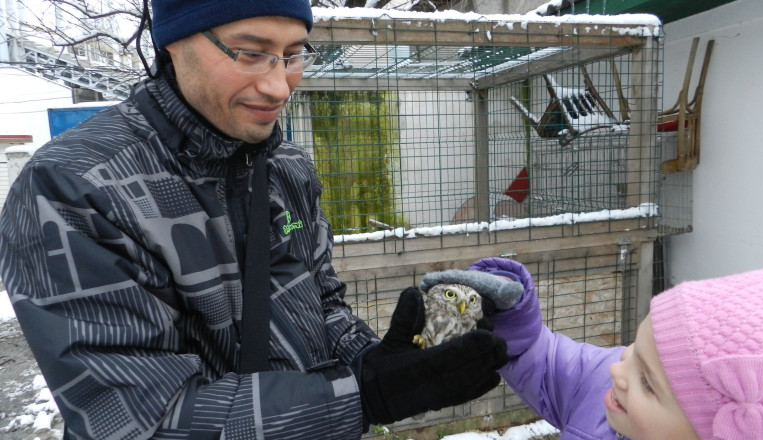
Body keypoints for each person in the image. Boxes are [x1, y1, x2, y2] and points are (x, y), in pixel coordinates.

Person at [0, 1, 509, 438]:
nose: (279, 86)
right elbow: (136, 420)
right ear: (173, 42)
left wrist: (378, 360)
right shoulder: (72, 189)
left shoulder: (286, 166)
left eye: (293, 55)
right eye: (250, 52)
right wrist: (363, 397)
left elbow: (320, 303)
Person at [426, 258, 763, 439]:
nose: (617, 369)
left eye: (647, 382)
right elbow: (549, 363)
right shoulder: (609, 390)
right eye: (633, 350)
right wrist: (510, 315)